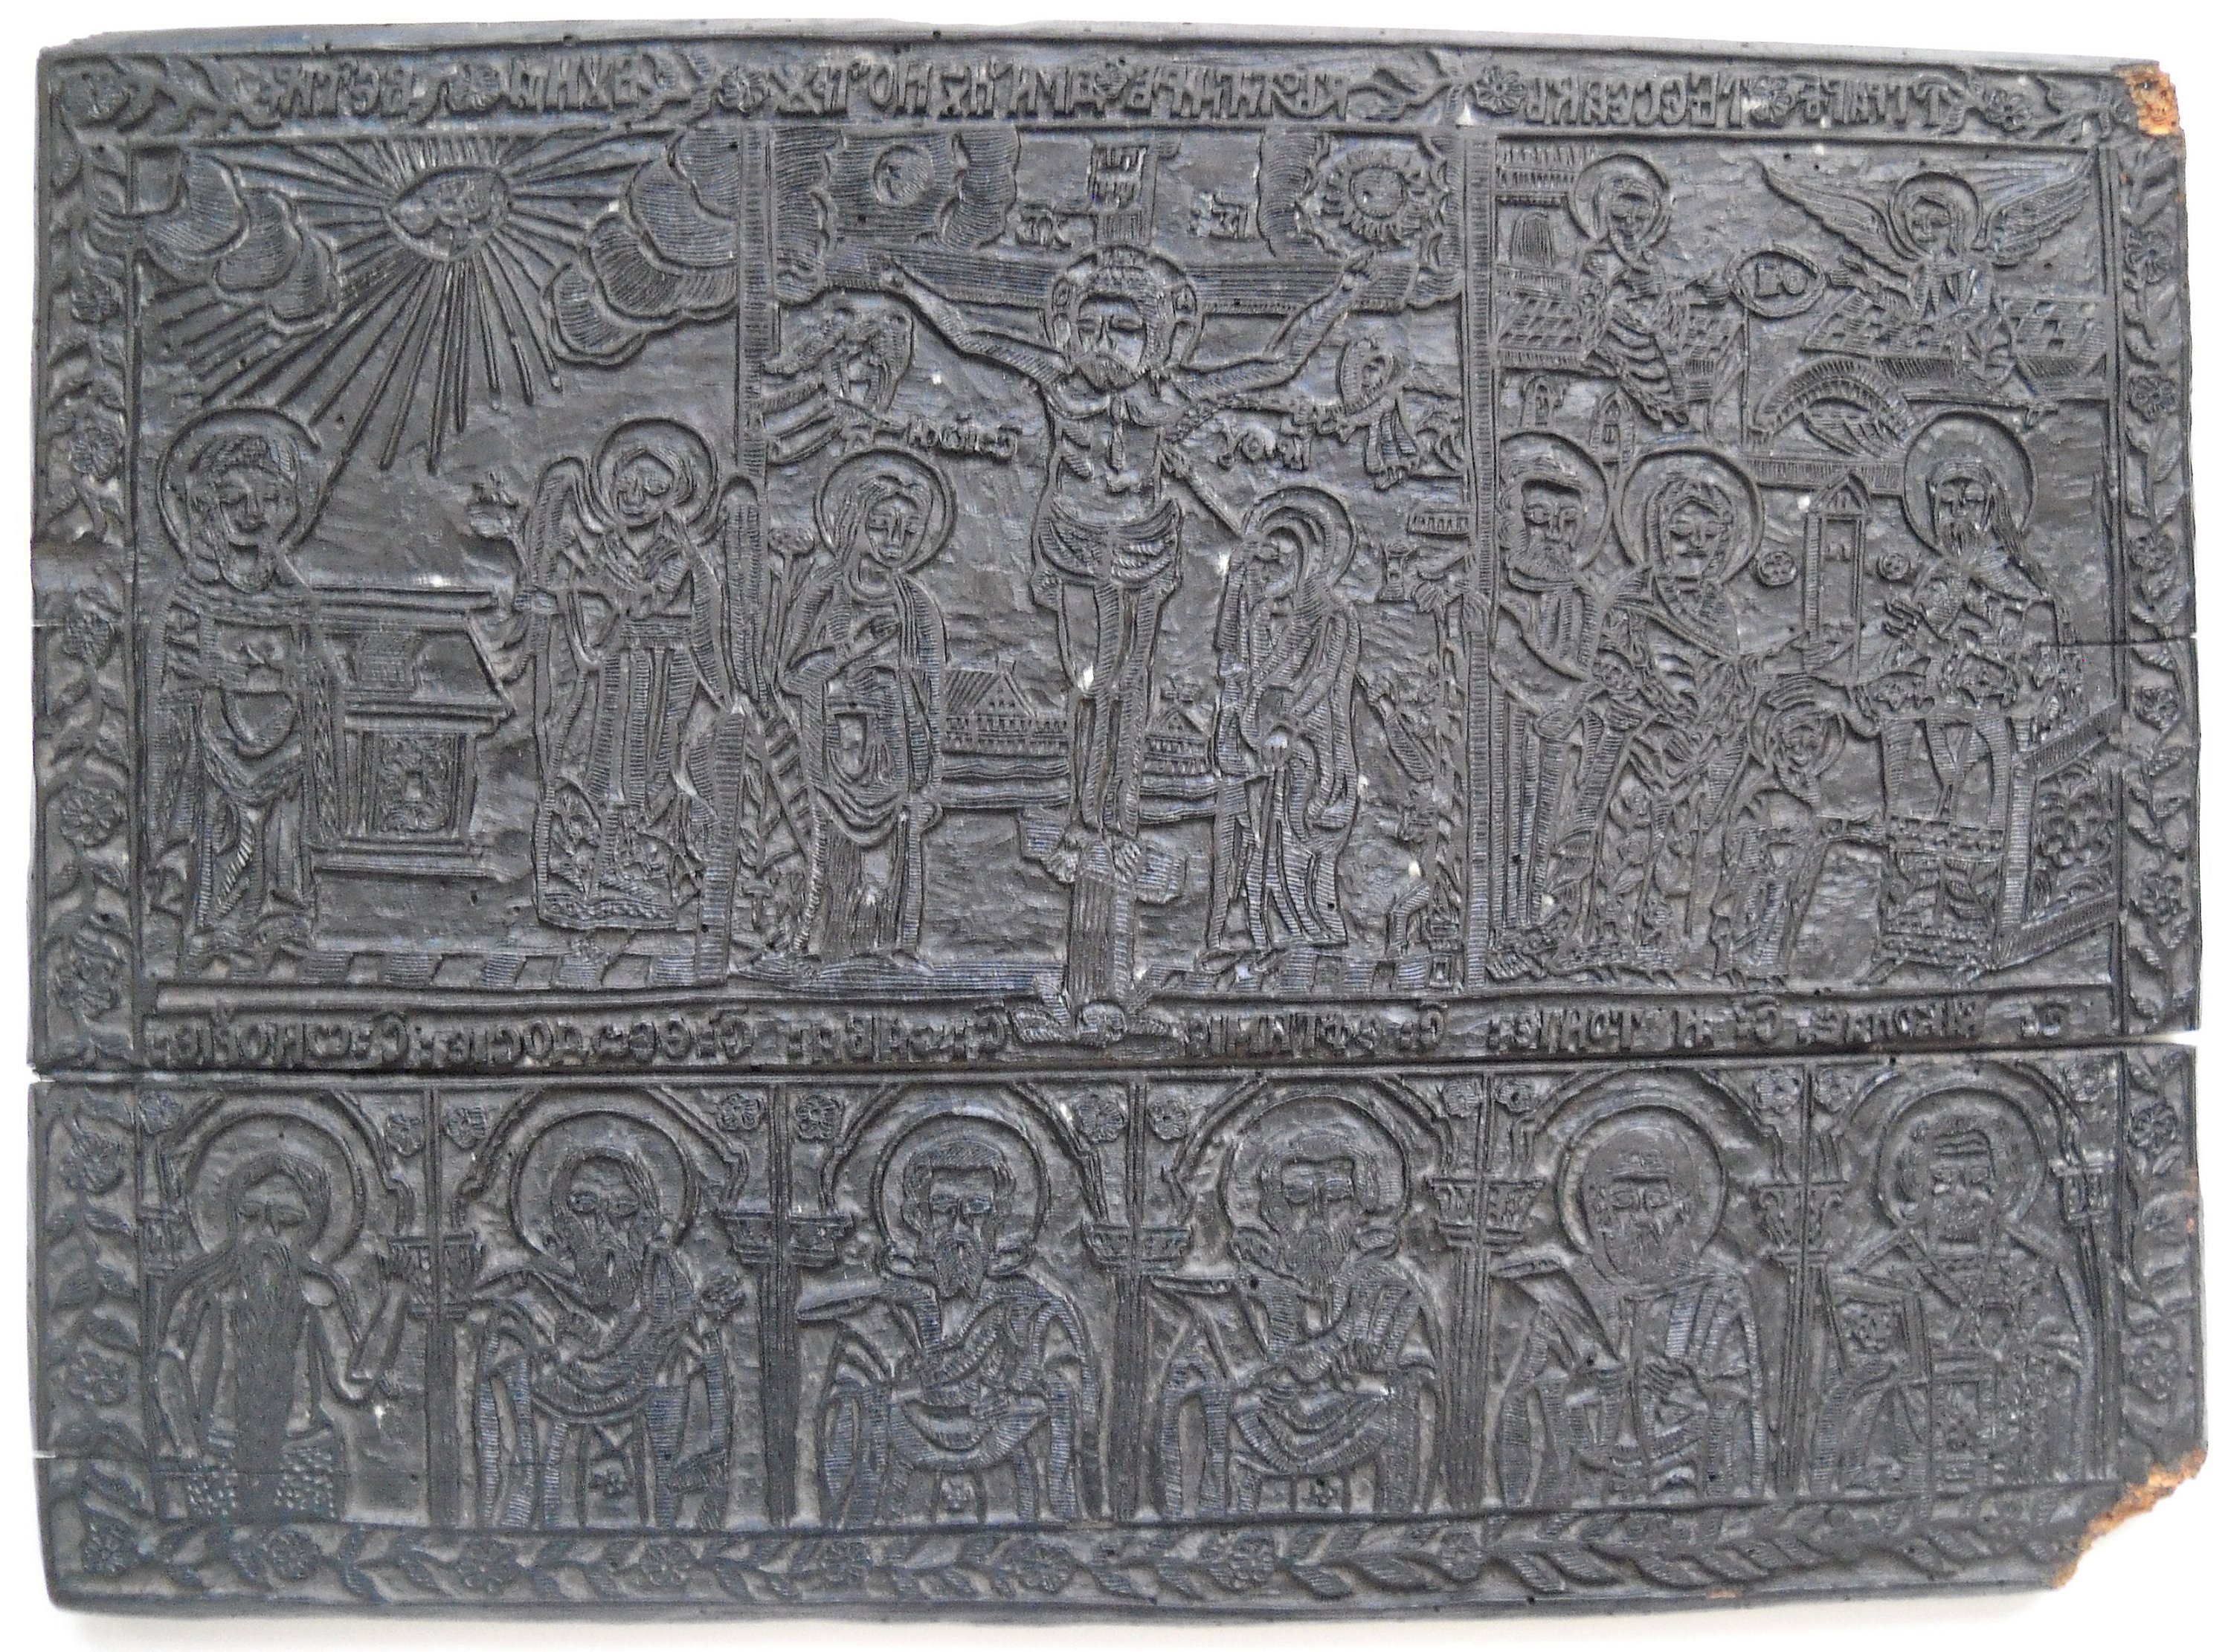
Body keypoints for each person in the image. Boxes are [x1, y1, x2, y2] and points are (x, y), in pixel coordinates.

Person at [881, 246, 1368, 885]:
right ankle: (1083, 822)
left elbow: (1276, 366)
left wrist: (1341, 297)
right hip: (1077, 546)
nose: (1104, 342)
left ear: (1158, 340)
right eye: (1090, 328)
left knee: (1130, 689)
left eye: (1124, 329)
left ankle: (1120, 824)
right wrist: (906, 285)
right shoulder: (1059, 385)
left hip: (1143, 549)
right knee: (1090, 687)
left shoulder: (1171, 398)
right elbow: (973, 337)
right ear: (1068, 332)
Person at [811, 1119, 1099, 1526]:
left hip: (1016, 1502)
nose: (961, 1229)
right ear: (917, 1217)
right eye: (944, 1210)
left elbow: (1068, 1393)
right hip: (896, 1505)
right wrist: (899, 1393)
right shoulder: (882, 1312)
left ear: (999, 1217)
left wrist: (1016, 1399)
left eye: (977, 1211)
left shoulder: (1035, 1312)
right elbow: (847, 1402)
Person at [521, 420, 747, 936]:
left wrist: (722, 689)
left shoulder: (680, 558)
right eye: (627, 486)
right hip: (607, 679)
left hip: (664, 675)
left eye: (652, 488)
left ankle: (643, 885)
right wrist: (557, 602)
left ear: (675, 495)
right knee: (594, 771)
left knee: (648, 777)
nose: (636, 497)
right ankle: (579, 883)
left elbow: (672, 613)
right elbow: (589, 612)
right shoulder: (602, 551)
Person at [1156, 1104, 1435, 1516]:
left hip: (1363, 1417)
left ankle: (1397, 1530)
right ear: (1272, 1210)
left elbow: (1420, 1373)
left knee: (1398, 1413)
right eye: (1298, 1199)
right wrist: (1248, 1381)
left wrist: (1370, 1374)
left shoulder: (1387, 1291)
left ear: (1361, 1209)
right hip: (1260, 1424)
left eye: (1336, 1199)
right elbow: (1193, 1374)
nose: (1317, 1217)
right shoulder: (1247, 1291)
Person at [1811, 1096, 2095, 1492]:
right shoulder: (1880, 1266)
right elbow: (1840, 1370)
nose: (1962, 1194)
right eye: (1944, 1179)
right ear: (1916, 1185)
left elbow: (2073, 1356)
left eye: (1978, 1180)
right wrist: (1895, 1370)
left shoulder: (2037, 1264)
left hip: (2011, 1462)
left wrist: (2020, 1357)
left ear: (2003, 1185)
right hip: (1904, 1470)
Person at [1550, 450, 1761, 975]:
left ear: (1723, 545)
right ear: (1658, 535)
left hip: (1693, 752)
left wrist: (1709, 731)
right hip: (1638, 745)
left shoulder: (1719, 610)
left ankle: (1652, 940)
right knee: (1624, 835)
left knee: (1675, 845)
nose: (1693, 545)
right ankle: (1605, 938)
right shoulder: (1634, 597)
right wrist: (1656, 710)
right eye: (1681, 532)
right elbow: (1611, 666)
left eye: (1707, 536)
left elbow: (1726, 680)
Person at [1495, 1109, 1765, 1506]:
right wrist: (1577, 1393)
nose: (1642, 1216)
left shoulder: (1716, 1297)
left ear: (1683, 1209)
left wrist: (1696, 1398)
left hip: (1686, 1488)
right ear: (1599, 1211)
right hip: (1585, 1492)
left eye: (1657, 1200)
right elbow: (1521, 1405)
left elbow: (1744, 1408)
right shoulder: (1566, 1298)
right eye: (1623, 1200)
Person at [149, 411, 326, 974]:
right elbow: (176, 680)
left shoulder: (294, 598)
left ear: (288, 510)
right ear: (207, 510)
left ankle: (282, 919)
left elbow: (311, 670)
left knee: (282, 833)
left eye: (269, 500)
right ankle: (218, 930)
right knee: (223, 829)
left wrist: (295, 683)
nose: (254, 514)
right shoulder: (193, 596)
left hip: (283, 739)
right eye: (236, 501)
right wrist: (216, 675)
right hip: (218, 739)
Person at [471, 1146, 730, 1529]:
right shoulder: (527, 1305)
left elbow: (695, 1377)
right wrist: (560, 1354)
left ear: (647, 1221)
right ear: (561, 1220)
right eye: (584, 1207)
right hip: (551, 1507)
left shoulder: (668, 1293)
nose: (604, 1226)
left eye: (623, 1209)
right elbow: (506, 1401)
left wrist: (701, 1324)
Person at [156, 1150, 405, 1522]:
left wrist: (395, 1297)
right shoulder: (206, 1292)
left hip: (303, 1458)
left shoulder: (320, 1293)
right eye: (251, 1215)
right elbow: (168, 1364)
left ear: (311, 1229)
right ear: (233, 1217)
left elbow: (353, 1383)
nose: (267, 1233)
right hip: (219, 1456)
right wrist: (187, 1444)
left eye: (287, 1220)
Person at [777, 449, 951, 964]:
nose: (893, 541)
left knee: (900, 852)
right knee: (836, 853)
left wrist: (929, 777)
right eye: (880, 527)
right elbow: (790, 675)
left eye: (906, 532)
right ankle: (830, 949)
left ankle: (895, 949)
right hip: (834, 748)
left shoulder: (917, 607)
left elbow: (932, 698)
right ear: (853, 524)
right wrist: (846, 652)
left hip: (896, 750)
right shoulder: (824, 592)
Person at [1208, 486, 1364, 966]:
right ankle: (1260, 934)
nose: (1268, 571)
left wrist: (1289, 725)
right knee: (1256, 840)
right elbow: (1229, 652)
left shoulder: (1333, 618)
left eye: (1279, 559)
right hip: (1258, 743)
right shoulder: (1262, 614)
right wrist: (1235, 582)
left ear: (1311, 560)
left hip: (1311, 746)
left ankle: (1313, 935)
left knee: (1298, 841)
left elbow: (1325, 677)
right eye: (1263, 562)